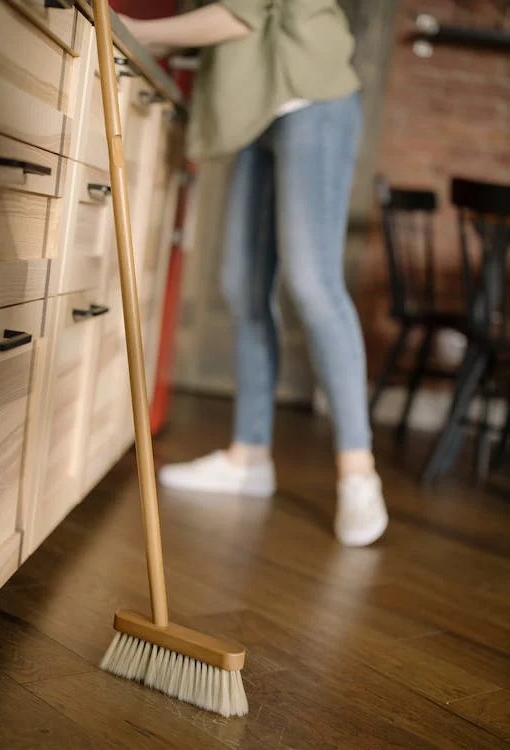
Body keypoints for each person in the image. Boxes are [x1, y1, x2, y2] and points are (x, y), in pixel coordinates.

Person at [119, 1, 388, 547]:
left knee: (313, 283)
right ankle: (249, 457)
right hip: (257, 107)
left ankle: (359, 474)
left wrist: (136, 29)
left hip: (311, 95)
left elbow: (241, 14)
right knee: (241, 284)